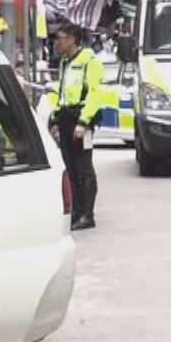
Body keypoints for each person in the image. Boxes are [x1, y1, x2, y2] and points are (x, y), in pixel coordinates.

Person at [44, 23, 104, 231]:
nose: (57, 42)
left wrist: (83, 123)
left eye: (60, 38)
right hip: (66, 119)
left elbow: (96, 94)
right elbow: (62, 94)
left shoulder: (90, 61)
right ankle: (76, 212)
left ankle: (88, 214)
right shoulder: (65, 62)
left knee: (84, 168)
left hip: (80, 120)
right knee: (70, 168)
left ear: (71, 39)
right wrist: (54, 120)